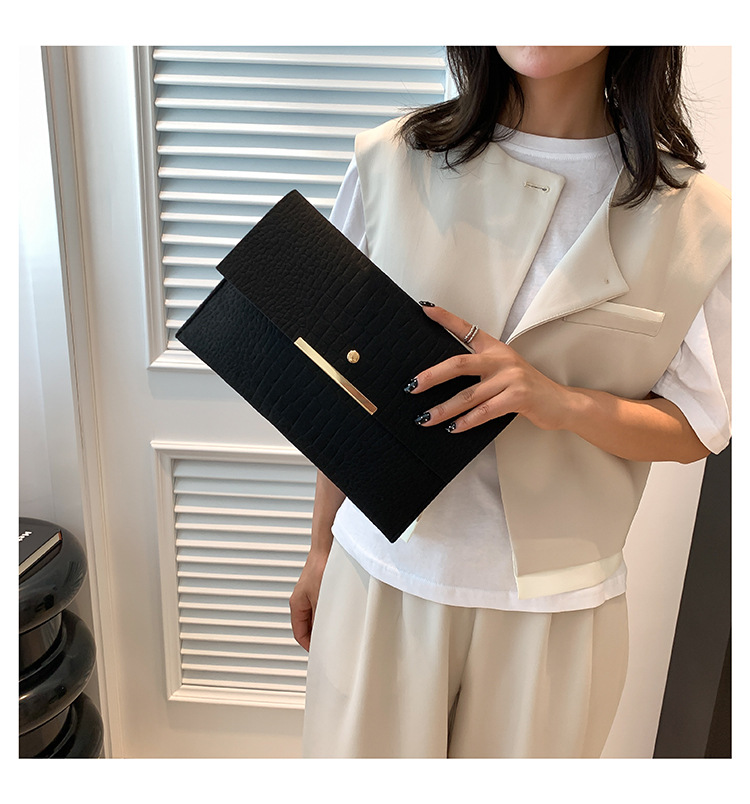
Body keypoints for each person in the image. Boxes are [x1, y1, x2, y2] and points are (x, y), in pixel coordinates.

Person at [288, 46, 731, 758]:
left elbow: (697, 424)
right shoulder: (394, 160)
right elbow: (343, 383)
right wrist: (319, 547)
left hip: (557, 611)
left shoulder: (697, 220)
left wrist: (562, 403)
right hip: (379, 575)